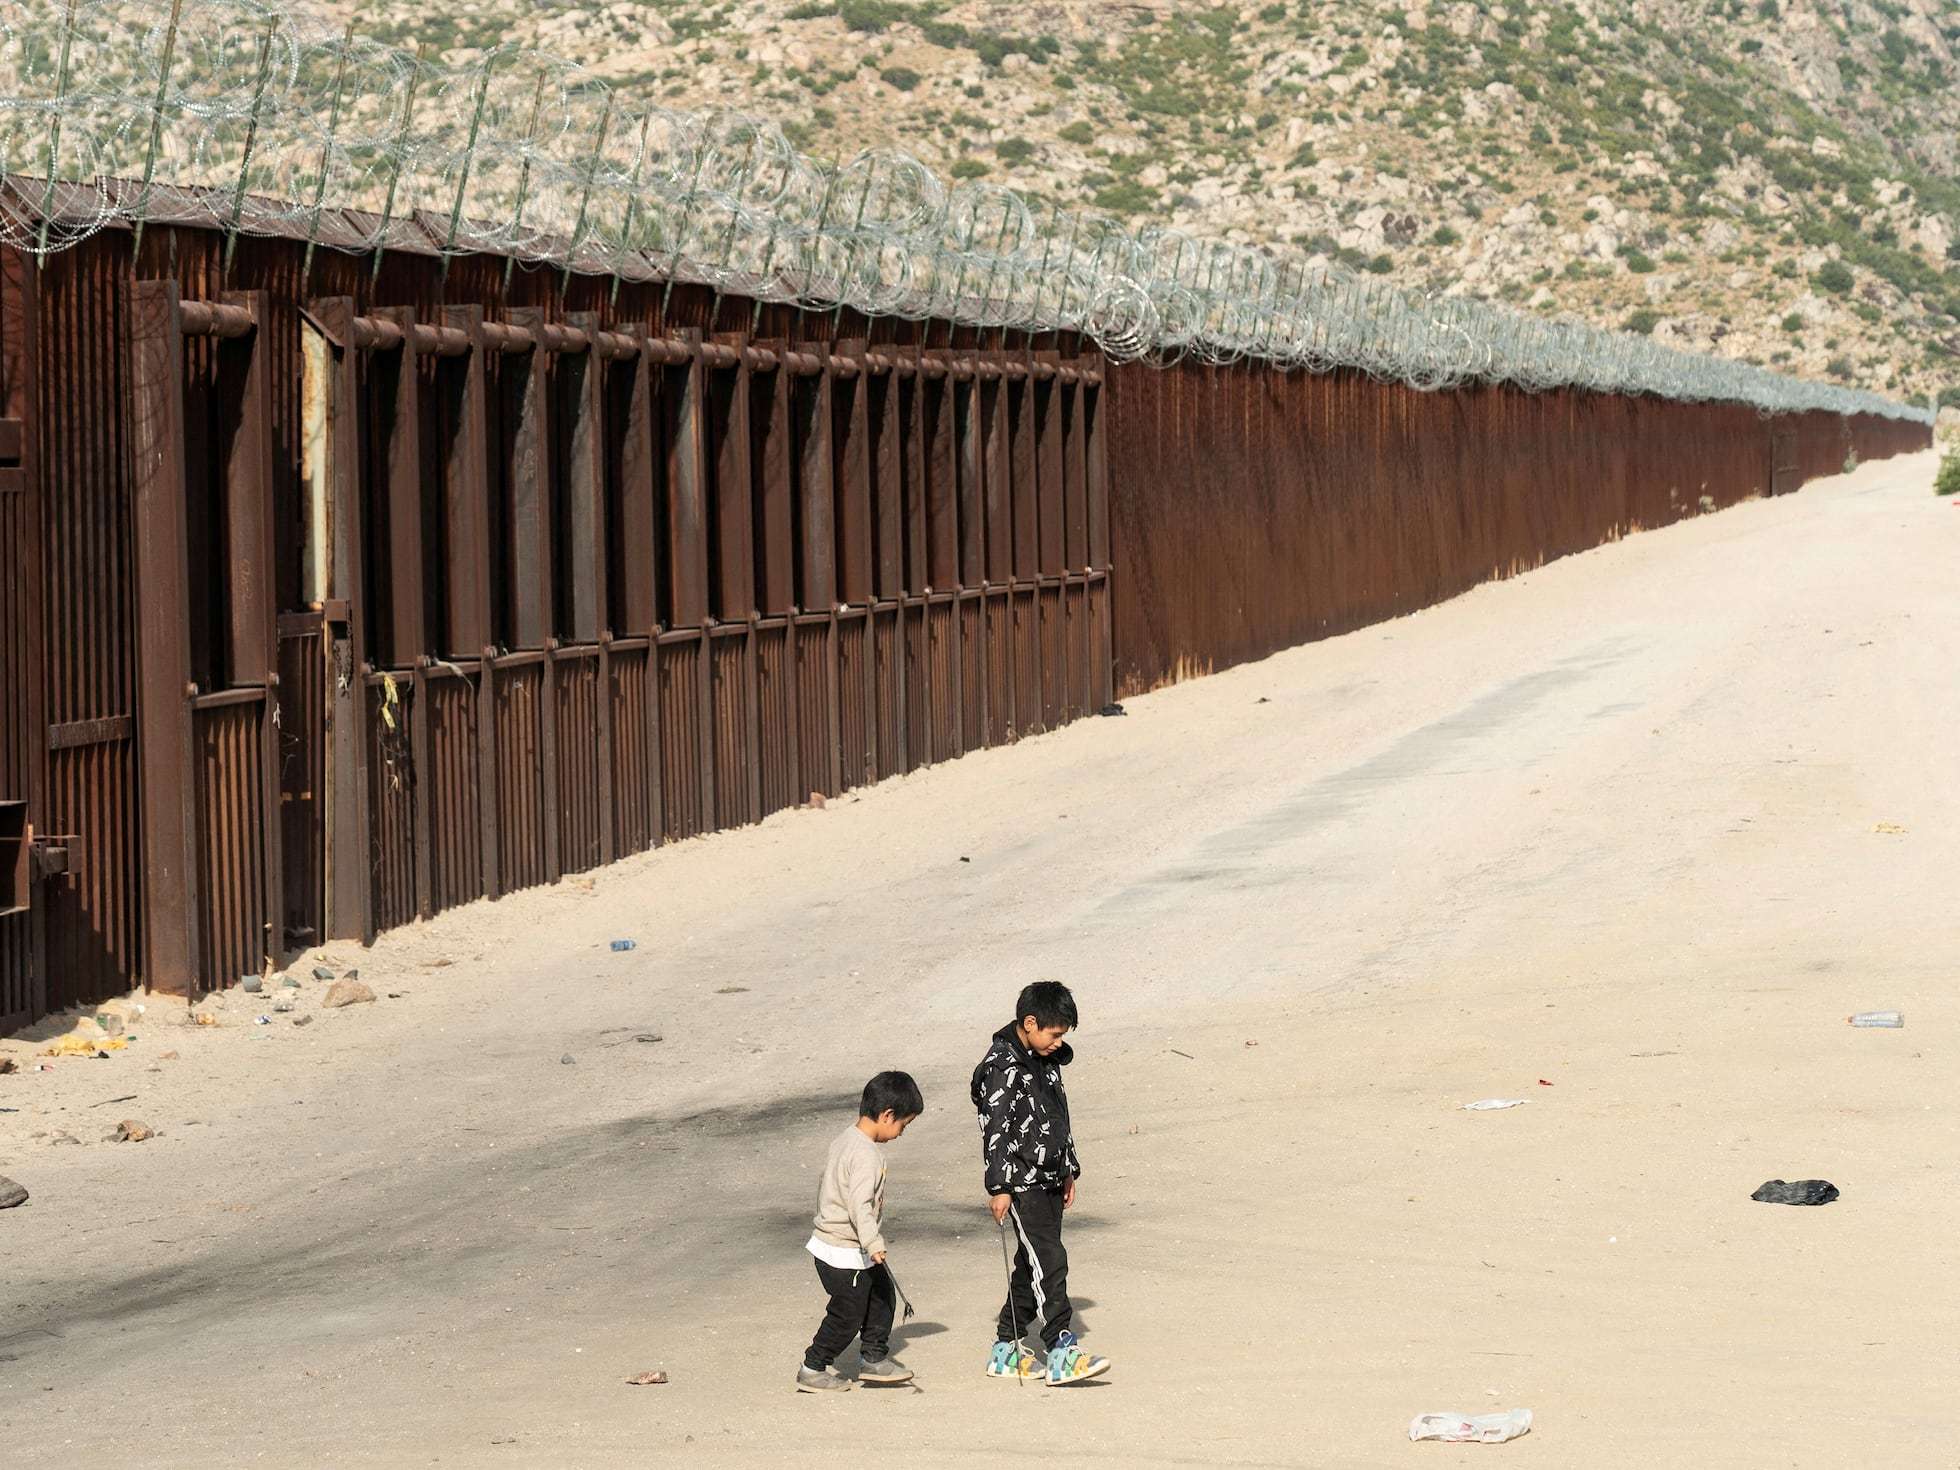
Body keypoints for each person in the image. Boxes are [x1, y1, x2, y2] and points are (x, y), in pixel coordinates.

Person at [971, 981, 1110, 1386]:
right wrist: (998, 1186)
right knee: (1050, 1260)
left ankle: (1006, 1347)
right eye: (1054, 1034)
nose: (1057, 1042)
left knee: (1029, 1263)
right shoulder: (1001, 1067)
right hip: (1021, 1180)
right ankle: (1061, 1349)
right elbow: (994, 1130)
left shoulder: (1045, 1058)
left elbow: (1056, 1116)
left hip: (1050, 1176)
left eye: (1063, 1035)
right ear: (1030, 1023)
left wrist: (1069, 1167)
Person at [797, 1070, 924, 1393]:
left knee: (882, 1295)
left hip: (844, 1246)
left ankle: (874, 1358)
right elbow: (859, 1204)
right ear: (887, 1115)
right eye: (903, 1126)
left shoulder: (845, 1138)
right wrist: (872, 1241)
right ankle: (813, 1366)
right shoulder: (867, 1155)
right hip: (844, 1250)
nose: (901, 1133)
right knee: (847, 1314)